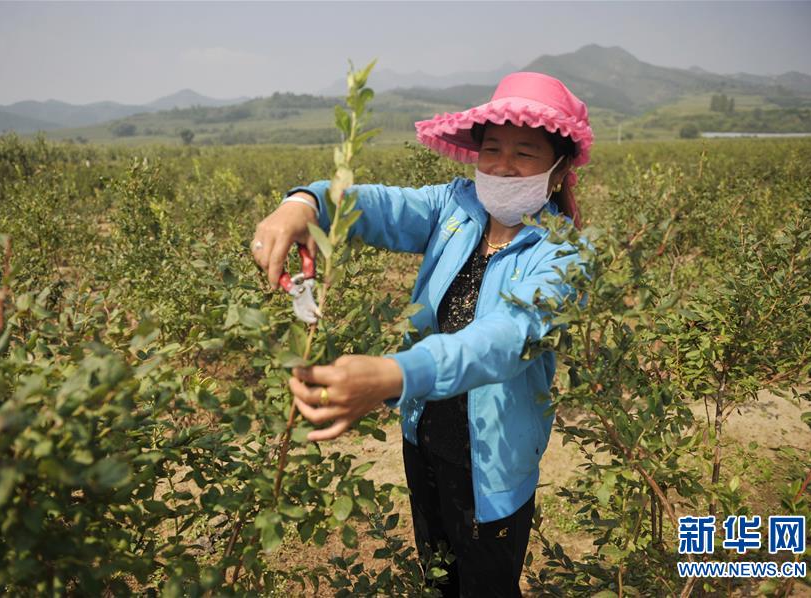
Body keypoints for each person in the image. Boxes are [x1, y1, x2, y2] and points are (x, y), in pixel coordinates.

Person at [250, 71, 593, 597]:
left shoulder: (563, 257)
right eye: (492, 149)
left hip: (494, 465)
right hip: (426, 436)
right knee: (437, 574)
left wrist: (395, 373)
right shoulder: (454, 208)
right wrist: (305, 202)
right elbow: (378, 206)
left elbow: (504, 340)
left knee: (486, 584)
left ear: (557, 168)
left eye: (524, 153)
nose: (502, 166)